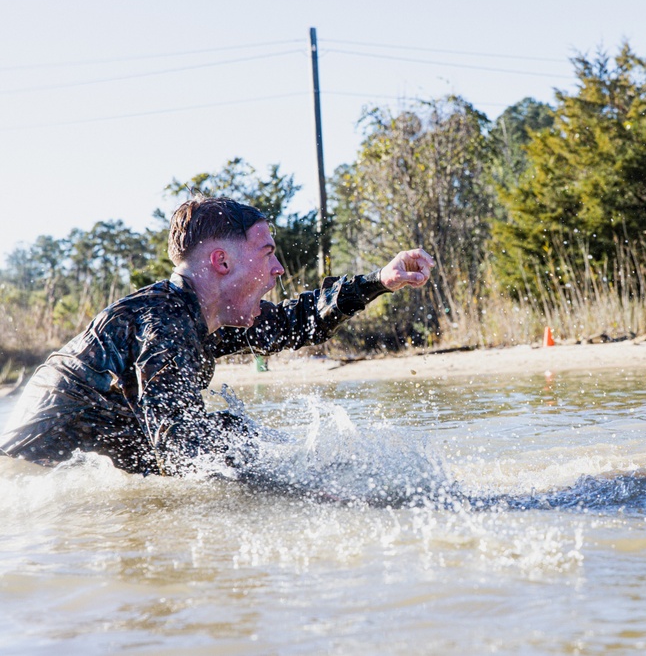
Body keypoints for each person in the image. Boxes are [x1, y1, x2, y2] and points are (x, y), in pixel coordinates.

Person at [0, 196, 435, 476]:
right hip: (25, 497)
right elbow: (184, 453)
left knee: (231, 433)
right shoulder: (164, 325)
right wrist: (295, 499)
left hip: (61, 481)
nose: (278, 268)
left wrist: (380, 280)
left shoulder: (199, 316)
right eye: (267, 253)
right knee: (224, 439)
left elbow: (294, 322)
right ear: (222, 261)